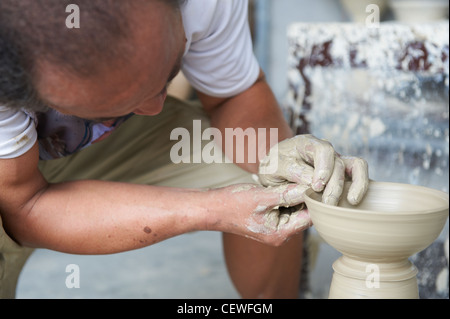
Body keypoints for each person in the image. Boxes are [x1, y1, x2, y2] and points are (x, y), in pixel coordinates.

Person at [0, 0, 369, 298]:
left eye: (168, 74)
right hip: (12, 187)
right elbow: (25, 206)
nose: (157, 108)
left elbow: (232, 96)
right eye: (116, 105)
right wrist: (211, 210)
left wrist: (282, 159)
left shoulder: (205, 3)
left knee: (269, 173)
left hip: (104, 149)